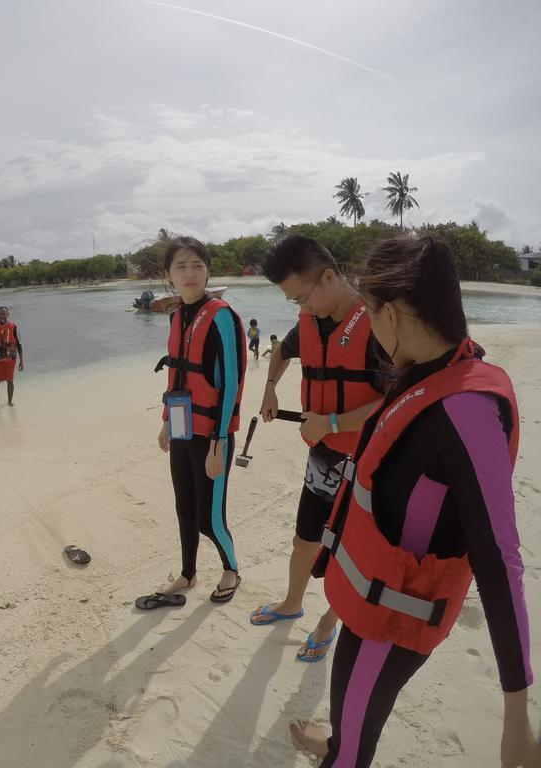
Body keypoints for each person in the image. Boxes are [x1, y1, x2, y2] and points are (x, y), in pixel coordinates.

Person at [289, 235, 539, 768]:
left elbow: (501, 560)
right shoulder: (425, 371)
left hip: (393, 621)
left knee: (351, 752)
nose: (369, 327)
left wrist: (517, 718)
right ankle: (339, 740)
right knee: (350, 711)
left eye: (371, 312)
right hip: (368, 601)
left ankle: (342, 750)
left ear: (395, 314)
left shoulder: (467, 412)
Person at [251, 235, 388, 663]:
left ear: (329, 278)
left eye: (302, 298)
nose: (300, 309)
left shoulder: (379, 325)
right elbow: (282, 350)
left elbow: (397, 401)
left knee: (354, 554)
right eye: (293, 302)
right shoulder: (310, 321)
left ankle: (329, 622)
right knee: (304, 539)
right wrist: (271, 387)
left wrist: (331, 422)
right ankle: (292, 603)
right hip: (323, 459)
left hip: (367, 463)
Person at [138, 237, 246, 609]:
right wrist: (167, 421)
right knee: (184, 507)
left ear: (208, 270)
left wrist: (219, 441)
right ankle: (188, 574)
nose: (190, 273)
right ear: (169, 276)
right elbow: (176, 377)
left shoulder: (221, 316)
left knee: (210, 518)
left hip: (213, 433)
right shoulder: (176, 316)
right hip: (183, 426)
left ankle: (231, 569)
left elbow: (230, 381)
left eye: (197, 265)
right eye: (181, 267)